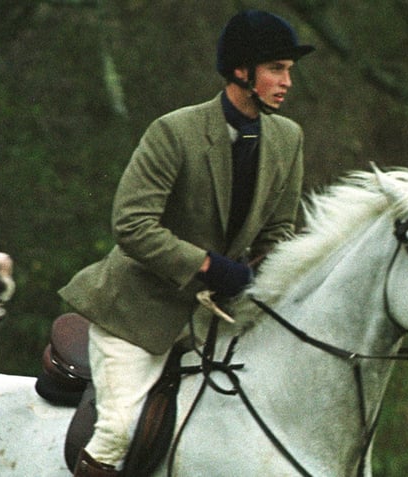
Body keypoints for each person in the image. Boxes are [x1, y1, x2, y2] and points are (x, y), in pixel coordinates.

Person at [58, 9, 315, 476]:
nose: (287, 82)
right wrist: (210, 267)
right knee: (118, 430)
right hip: (137, 311)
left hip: (215, 318)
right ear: (242, 71)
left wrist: (265, 273)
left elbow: (279, 231)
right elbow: (132, 225)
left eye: (289, 71)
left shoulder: (288, 139)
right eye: (276, 69)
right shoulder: (174, 132)